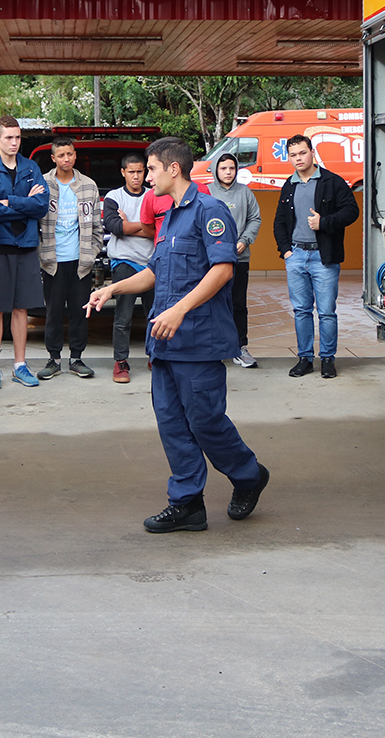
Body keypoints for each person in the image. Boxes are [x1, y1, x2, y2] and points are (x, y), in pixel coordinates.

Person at [86, 138, 269, 534]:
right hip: (165, 342)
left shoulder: (210, 211)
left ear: (173, 169)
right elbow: (155, 270)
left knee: (205, 421)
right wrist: (111, 290)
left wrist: (180, 309)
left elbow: (222, 270)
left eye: (150, 169)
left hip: (198, 339)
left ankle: (249, 474)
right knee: (171, 423)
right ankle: (187, 504)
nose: (145, 176)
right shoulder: (168, 217)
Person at [273, 134, 360, 379]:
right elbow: (279, 221)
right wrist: (286, 251)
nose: (298, 158)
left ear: (312, 153)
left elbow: (352, 211)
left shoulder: (332, 181)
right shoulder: (289, 185)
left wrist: (324, 222)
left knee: (326, 312)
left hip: (324, 257)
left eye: (302, 153)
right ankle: (305, 358)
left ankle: (328, 359)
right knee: (301, 310)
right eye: (293, 155)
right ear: (288, 158)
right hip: (296, 256)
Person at [0, 116, 49, 389]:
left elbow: (41, 206)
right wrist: (25, 203)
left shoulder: (31, 168)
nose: (14, 143)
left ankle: (20, 365)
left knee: (21, 309)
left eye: (17, 137)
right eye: (8, 137)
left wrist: (13, 202)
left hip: (27, 246)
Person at [35, 136, 102, 380]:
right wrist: (41, 252)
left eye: (70, 154)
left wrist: (91, 253)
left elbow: (96, 226)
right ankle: (53, 359)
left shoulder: (88, 186)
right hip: (52, 261)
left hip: (80, 261)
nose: (67, 159)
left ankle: (76, 358)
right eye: (61, 155)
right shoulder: (43, 184)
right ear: (53, 158)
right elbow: (33, 220)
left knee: (79, 311)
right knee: (53, 312)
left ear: (75, 155)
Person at [100, 152, 154, 383]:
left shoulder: (154, 195)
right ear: (123, 172)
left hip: (152, 263)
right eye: (131, 172)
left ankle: (156, 355)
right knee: (123, 316)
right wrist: (144, 227)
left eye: (140, 171)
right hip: (124, 261)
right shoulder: (114, 197)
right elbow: (113, 226)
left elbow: (159, 228)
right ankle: (121, 361)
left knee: (156, 315)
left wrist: (129, 224)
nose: (136, 176)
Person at [208, 152, 262, 368]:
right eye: (223, 168)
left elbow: (255, 218)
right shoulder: (207, 192)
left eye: (231, 168)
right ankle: (215, 347)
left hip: (239, 258)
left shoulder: (245, 192)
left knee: (238, 303)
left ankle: (240, 346)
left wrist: (245, 240)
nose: (228, 172)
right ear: (215, 170)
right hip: (213, 260)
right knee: (213, 302)